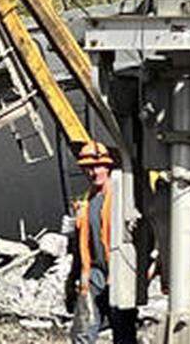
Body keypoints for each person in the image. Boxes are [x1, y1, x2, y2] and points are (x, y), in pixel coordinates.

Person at [66, 141, 138, 344]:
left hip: (119, 273)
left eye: (98, 166)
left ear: (108, 166)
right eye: (88, 168)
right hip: (94, 275)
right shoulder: (87, 202)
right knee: (82, 332)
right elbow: (81, 247)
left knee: (123, 333)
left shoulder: (122, 198)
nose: (94, 172)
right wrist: (73, 278)